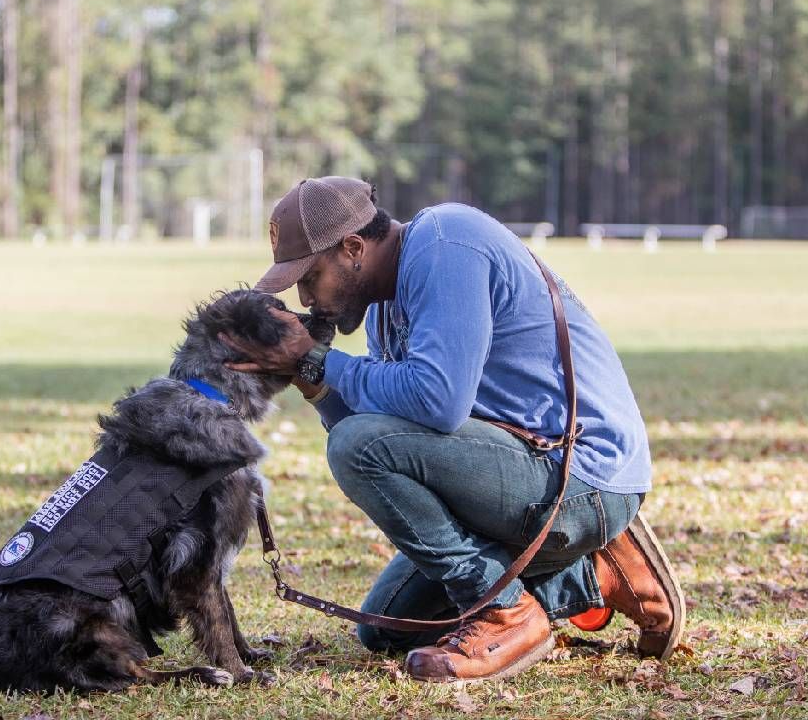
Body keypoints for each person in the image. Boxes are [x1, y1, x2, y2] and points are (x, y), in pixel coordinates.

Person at [220, 176, 683, 683]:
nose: (307, 299)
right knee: (388, 628)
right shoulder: (382, 310)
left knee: (357, 446)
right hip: (522, 472)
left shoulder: (445, 243)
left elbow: (436, 404)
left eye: (310, 277)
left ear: (353, 248)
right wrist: (312, 381)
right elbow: (385, 427)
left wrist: (321, 361)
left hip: (581, 472)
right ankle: (599, 575)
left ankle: (506, 612)